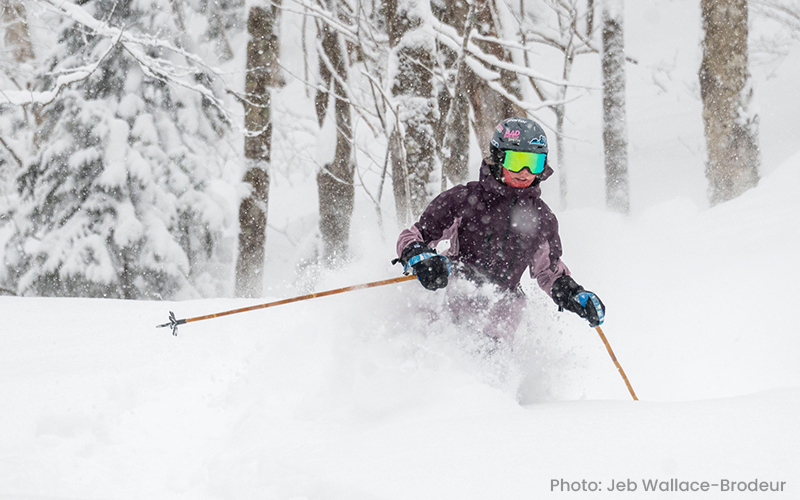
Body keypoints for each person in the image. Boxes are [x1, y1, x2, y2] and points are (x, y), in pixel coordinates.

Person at [394, 117, 604, 341]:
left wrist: (574, 293)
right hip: (453, 298)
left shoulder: (542, 219)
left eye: (534, 163)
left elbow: (548, 272)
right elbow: (414, 236)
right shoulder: (465, 200)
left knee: (490, 359)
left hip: (501, 315)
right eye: (517, 161)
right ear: (498, 157)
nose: (525, 172)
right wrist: (420, 257)